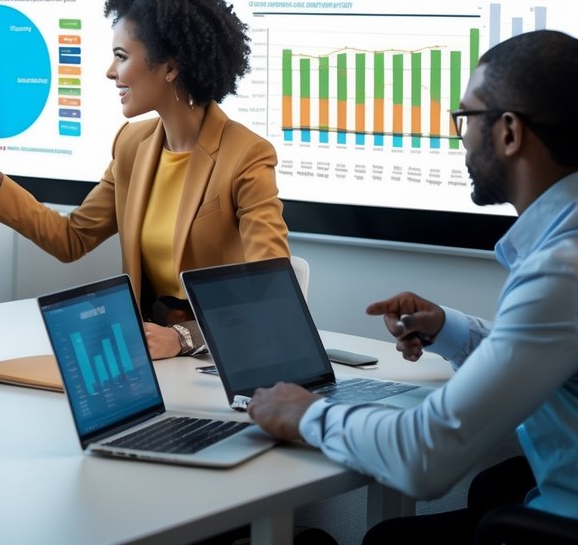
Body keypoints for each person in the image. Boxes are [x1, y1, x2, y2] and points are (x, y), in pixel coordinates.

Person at [248, 30, 578, 541]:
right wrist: (449, 330)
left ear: (510, 132)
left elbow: (424, 457)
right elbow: (544, 358)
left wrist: (307, 413)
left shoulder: (563, 269)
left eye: (466, 118)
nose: (461, 136)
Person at [0, 0, 289, 359]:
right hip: (146, 354)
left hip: (218, 360)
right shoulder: (132, 145)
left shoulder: (246, 156)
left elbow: (271, 291)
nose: (110, 72)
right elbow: (71, 239)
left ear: (170, 68)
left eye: (121, 56)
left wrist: (186, 338)